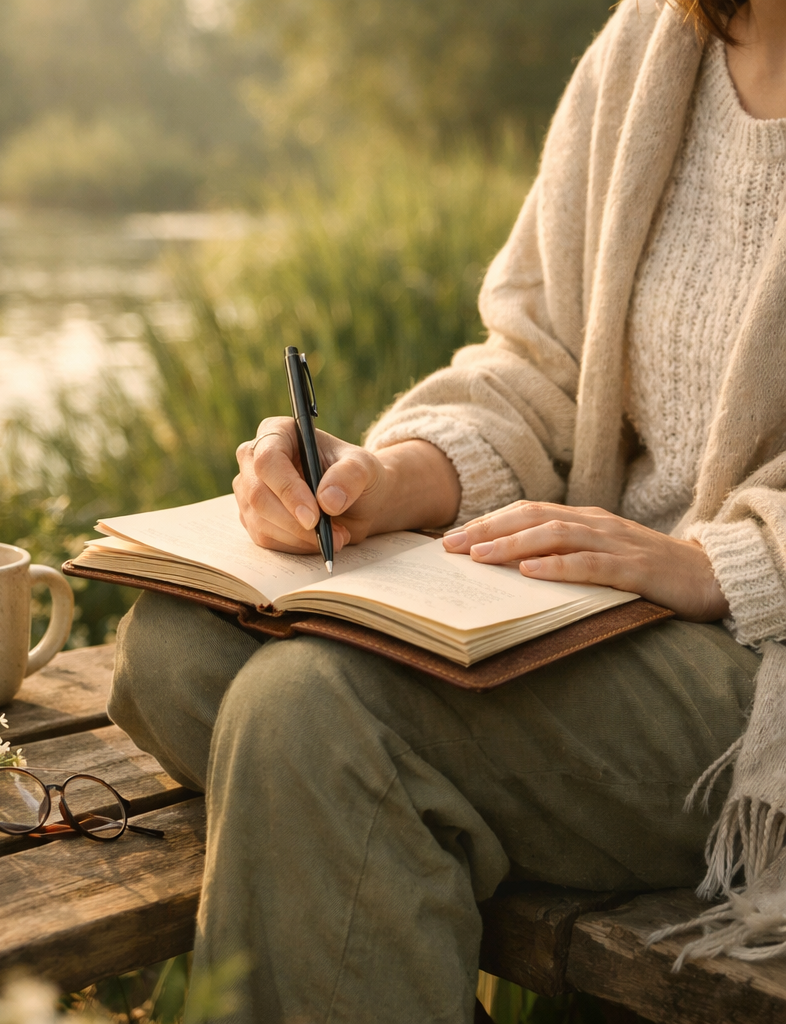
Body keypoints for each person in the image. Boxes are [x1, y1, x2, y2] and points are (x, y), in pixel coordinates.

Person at [109, 0, 786, 1019]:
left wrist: (714, 565)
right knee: (177, 650)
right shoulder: (656, 41)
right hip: (609, 605)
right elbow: (538, 362)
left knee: (308, 715)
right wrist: (382, 482)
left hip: (756, 665)